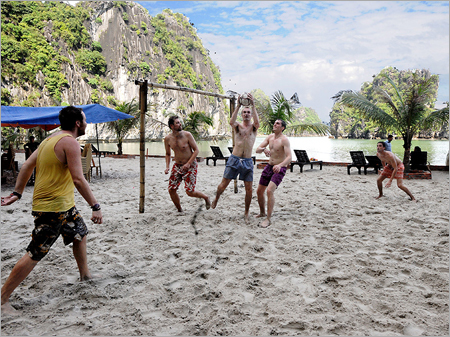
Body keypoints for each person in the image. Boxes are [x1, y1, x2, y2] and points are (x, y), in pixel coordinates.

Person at [1, 106, 103, 313]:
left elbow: (28, 164)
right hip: (52, 208)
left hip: (64, 206)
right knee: (35, 252)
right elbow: (78, 179)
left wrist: (17, 193)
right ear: (77, 123)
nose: (86, 123)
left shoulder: (49, 140)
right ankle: (2, 299)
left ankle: (85, 276)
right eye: (84, 120)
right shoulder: (70, 143)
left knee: (80, 233)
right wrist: (95, 206)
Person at [211, 93, 260, 222]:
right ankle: (216, 198)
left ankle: (246, 212)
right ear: (242, 114)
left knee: (249, 189)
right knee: (223, 185)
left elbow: (257, 122)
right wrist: (238, 105)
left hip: (248, 161)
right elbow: (231, 122)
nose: (246, 114)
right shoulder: (237, 126)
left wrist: (253, 105)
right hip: (235, 159)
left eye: (248, 112)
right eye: (244, 112)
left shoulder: (254, 128)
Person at [164, 115, 210, 213]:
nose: (180, 124)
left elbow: (196, 150)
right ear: (172, 126)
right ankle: (180, 210)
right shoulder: (167, 139)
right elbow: (168, 154)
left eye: (179, 122)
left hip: (191, 165)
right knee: (171, 189)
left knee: (189, 192)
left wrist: (189, 163)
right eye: (177, 123)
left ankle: (205, 197)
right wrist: (167, 167)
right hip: (177, 165)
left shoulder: (187, 135)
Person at [255, 119, 292, 228]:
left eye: (278, 124)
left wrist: (280, 165)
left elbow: (289, 157)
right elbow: (257, 149)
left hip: (280, 168)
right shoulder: (270, 137)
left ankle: (268, 219)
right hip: (269, 166)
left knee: (269, 190)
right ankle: (262, 212)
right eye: (274, 123)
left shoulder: (284, 140)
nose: (275, 125)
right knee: (259, 191)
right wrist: (264, 149)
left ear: (282, 128)